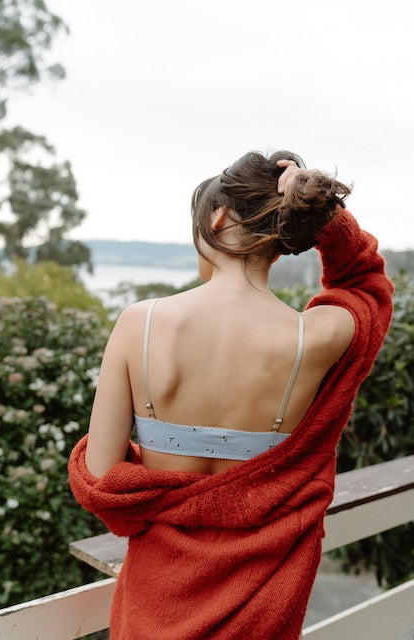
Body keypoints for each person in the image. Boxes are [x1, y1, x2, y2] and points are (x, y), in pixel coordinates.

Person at [68, 151, 394, 640]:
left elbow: (101, 484)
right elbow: (366, 283)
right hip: (261, 616)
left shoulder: (140, 322)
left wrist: (166, 476)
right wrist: (323, 214)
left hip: (155, 607)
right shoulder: (317, 336)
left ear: (217, 219)